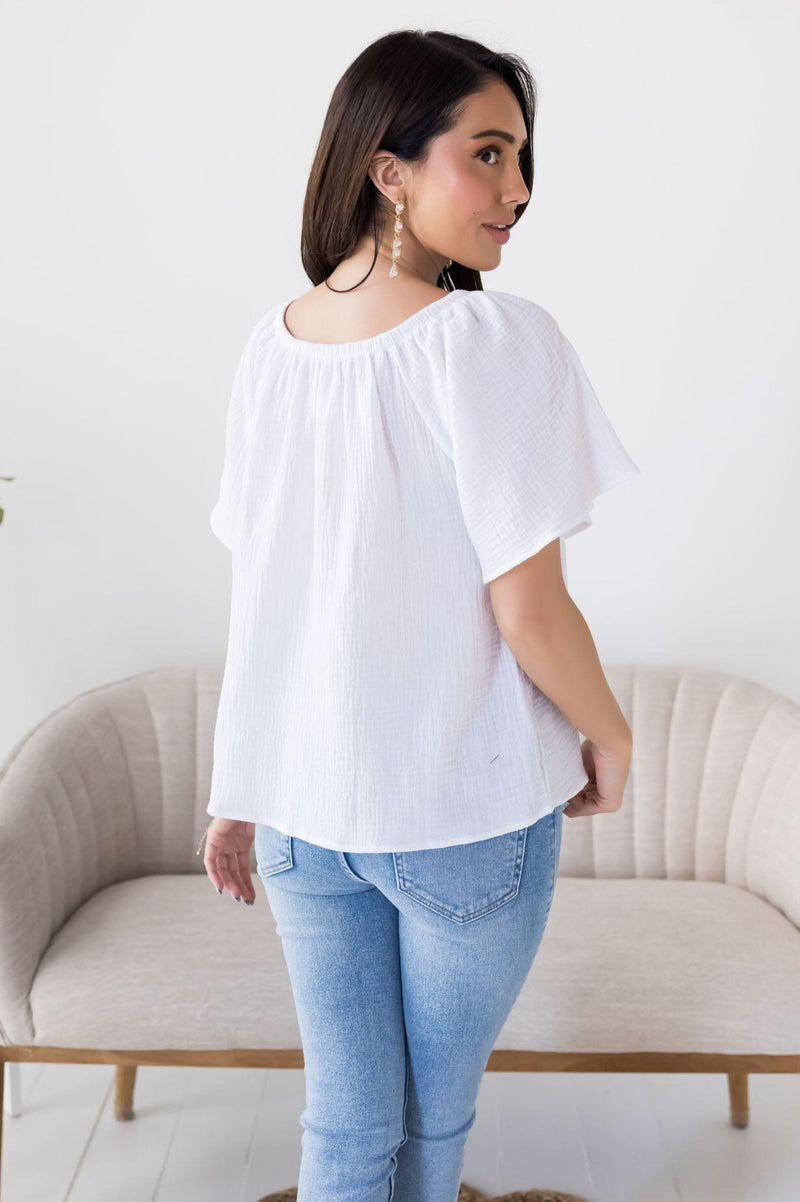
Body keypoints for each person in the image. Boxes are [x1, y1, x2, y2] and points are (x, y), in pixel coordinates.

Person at [199, 28, 640, 1202]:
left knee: (345, 1126)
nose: (518, 188)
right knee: (427, 1126)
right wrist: (609, 732)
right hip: (460, 808)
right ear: (386, 169)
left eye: (521, 157)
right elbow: (528, 605)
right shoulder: (485, 339)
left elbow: (267, 598)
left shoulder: (270, 347)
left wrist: (241, 785)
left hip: (303, 811)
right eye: (486, 153)